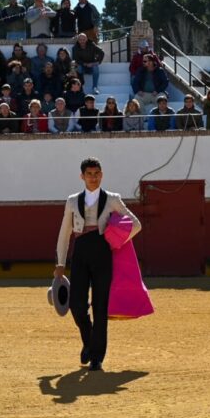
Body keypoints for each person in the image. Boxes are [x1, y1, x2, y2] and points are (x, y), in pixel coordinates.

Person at [54, 157, 141, 371]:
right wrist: (60, 262)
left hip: (103, 253)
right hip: (81, 252)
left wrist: (117, 240)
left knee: (100, 306)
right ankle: (89, 341)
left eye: (96, 174)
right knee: (77, 305)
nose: (93, 178)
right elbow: (65, 233)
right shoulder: (72, 200)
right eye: (89, 174)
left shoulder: (112, 199)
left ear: (101, 175)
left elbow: (136, 225)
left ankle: (97, 356)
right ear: (82, 176)